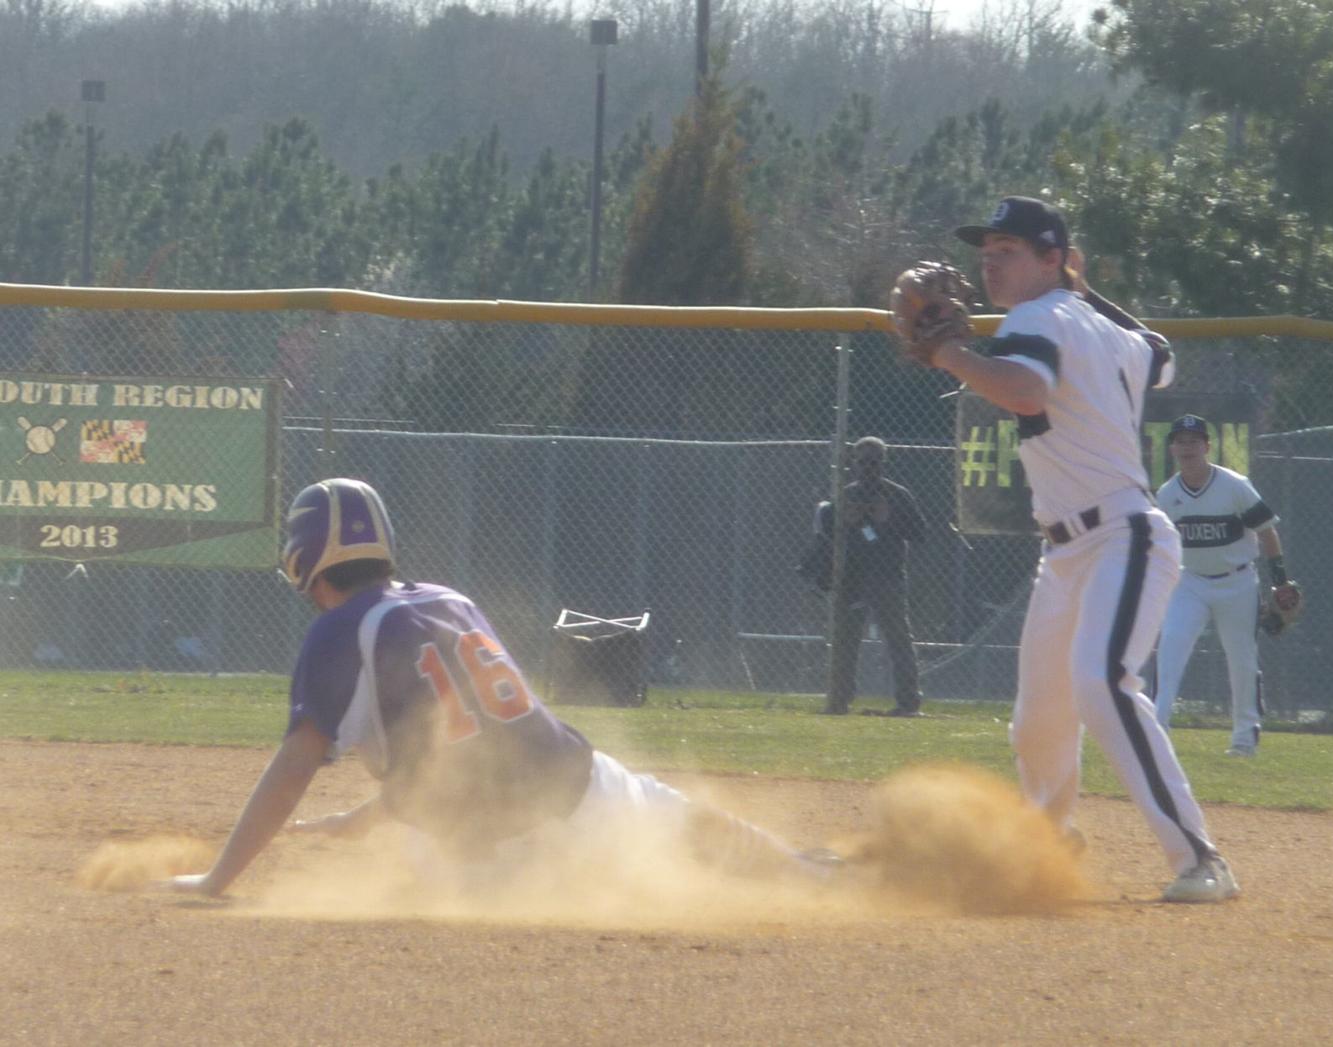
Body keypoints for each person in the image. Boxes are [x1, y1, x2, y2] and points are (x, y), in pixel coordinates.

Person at [167, 478, 835, 897]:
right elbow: (478, 739)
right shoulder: (446, 597)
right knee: (696, 831)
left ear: (301, 560)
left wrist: (217, 877)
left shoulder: (340, 627)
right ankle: (820, 875)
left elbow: (295, 764)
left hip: (499, 855)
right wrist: (368, 814)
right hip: (590, 788)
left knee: (417, 876)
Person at [897, 195, 1238, 902]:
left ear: (1052, 258)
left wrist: (948, 350)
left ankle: (1201, 857)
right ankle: (1045, 845)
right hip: (1068, 551)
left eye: (1009, 251)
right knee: (1039, 721)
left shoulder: (1036, 318)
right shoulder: (1102, 328)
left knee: (1100, 680)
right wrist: (1090, 292)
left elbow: (1025, 391)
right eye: (985, 252)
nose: (990, 264)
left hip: (1124, 534)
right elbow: (1163, 358)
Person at [1153, 414, 1291, 757]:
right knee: (1170, 648)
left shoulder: (1234, 485)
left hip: (1238, 582)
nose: (1187, 447)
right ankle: (1156, 733)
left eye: (1194, 440)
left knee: (1241, 659)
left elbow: (1267, 531)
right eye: (1181, 441)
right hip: (1190, 582)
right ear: (1172, 447)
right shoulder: (1168, 495)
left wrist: (1279, 580)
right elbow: (1160, 547)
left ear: (1207, 447)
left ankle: (1244, 739)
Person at [818, 436, 929, 717]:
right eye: (863, 462)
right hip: (852, 578)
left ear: (883, 463)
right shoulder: (846, 494)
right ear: (854, 463)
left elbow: (920, 534)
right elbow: (827, 530)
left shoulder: (897, 495)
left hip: (887, 577)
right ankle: (839, 699)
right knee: (845, 638)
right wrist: (847, 521)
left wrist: (887, 519)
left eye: (875, 462)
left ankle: (908, 702)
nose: (869, 468)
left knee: (898, 639)